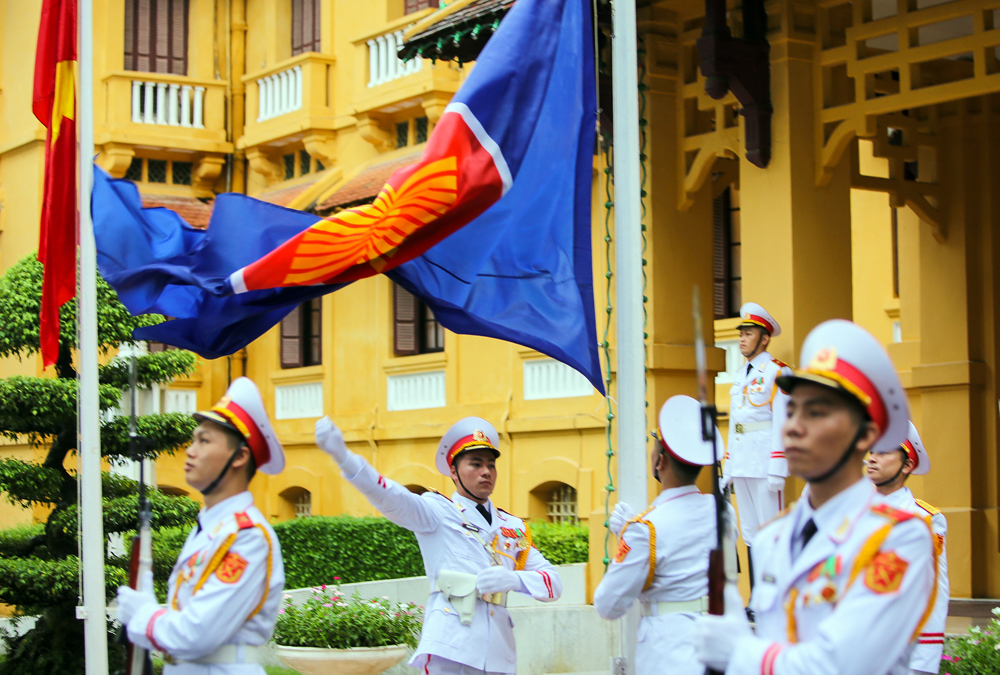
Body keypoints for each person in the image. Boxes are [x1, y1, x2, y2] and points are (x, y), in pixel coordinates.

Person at [695, 319, 937, 675]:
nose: (792, 426)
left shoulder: (897, 539)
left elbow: (840, 665)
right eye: (791, 410)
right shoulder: (773, 536)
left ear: (866, 435)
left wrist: (739, 653)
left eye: (817, 412)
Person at [315, 415, 562, 675]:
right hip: (451, 648)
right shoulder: (436, 510)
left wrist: (514, 580)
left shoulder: (513, 526)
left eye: (491, 464)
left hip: (498, 653)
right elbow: (389, 495)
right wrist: (344, 457)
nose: (486, 471)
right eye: (475, 464)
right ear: (453, 471)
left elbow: (553, 583)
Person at [116, 377, 286, 673]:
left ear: (240, 456)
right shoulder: (212, 528)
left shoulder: (247, 537)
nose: (190, 450)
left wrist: (144, 616)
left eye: (204, 440)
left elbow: (196, 634)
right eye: (193, 439)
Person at [594, 395, 734, 675]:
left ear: (660, 462)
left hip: (671, 654)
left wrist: (627, 536)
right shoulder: (723, 512)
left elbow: (607, 604)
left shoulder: (645, 529)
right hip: (723, 646)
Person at [867, 421, 949, 675]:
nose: (872, 458)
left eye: (884, 453)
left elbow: (934, 589)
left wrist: (924, 659)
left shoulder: (923, 519)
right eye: (872, 451)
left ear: (907, 465)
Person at [723, 303, 792, 588]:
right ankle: (756, 596)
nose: (742, 338)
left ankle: (775, 595)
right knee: (749, 531)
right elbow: (734, 424)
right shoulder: (740, 375)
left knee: (770, 530)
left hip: (765, 462)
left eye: (748, 333)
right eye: (741, 333)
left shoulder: (778, 372)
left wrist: (778, 466)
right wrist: (727, 468)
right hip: (742, 462)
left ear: (764, 338)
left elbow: (783, 421)